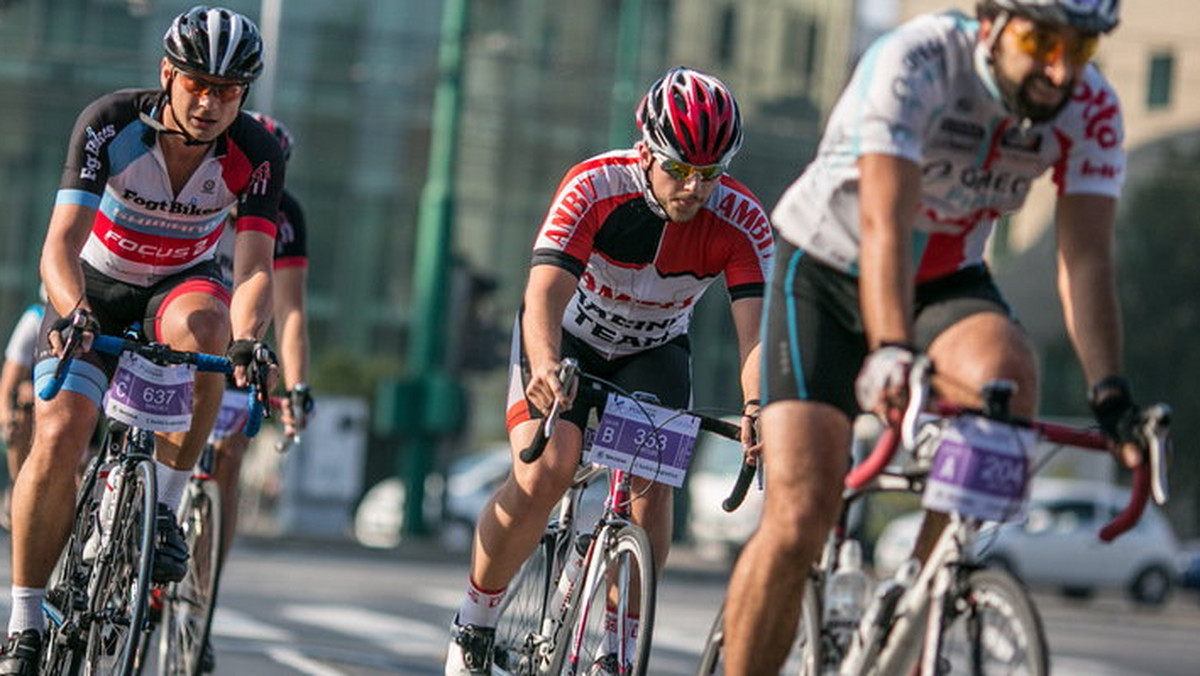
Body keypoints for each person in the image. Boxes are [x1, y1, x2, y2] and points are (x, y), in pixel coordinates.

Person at [720, 1, 1142, 673]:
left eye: (1081, 49)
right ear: (992, 23)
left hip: (944, 279)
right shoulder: (915, 61)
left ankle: (919, 599)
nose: (1060, 71)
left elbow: (1086, 258)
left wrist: (1111, 393)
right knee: (801, 516)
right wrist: (889, 352)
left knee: (1009, 375)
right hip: (828, 267)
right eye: (1041, 41)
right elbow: (885, 224)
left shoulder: (1091, 107)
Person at [444, 66, 774, 675]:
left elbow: (755, 335)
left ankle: (616, 650)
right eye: (678, 169)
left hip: (654, 351)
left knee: (651, 491)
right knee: (547, 468)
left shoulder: (742, 219)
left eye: (710, 174)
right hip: (569, 339)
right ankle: (475, 622)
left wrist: (758, 410)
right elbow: (543, 293)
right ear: (647, 150)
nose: (694, 188)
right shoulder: (595, 186)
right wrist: (543, 366)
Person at [0, 6, 285, 672]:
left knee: (210, 332)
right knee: (59, 429)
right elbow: (59, 247)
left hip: (177, 290)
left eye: (228, 91)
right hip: (93, 288)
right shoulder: (112, 123)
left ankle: (161, 506)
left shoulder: (257, 153)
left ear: (245, 94)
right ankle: (23, 619)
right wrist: (73, 312)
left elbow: (253, 270)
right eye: (198, 85)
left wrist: (249, 341)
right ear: (168, 75)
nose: (212, 102)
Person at [200, 110, 313, 671]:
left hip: (242, 340)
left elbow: (290, 310)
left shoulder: (284, 215)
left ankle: (201, 598)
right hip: (190, 320)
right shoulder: (206, 187)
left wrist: (296, 385)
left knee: (230, 454)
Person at [0, 297, 45, 530]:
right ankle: (18, 488)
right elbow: (9, 383)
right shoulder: (34, 320)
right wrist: (8, 419)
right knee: (21, 406)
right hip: (38, 404)